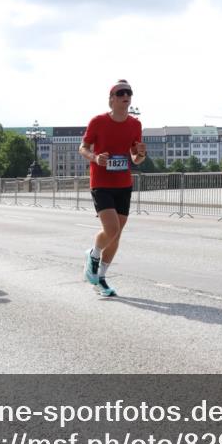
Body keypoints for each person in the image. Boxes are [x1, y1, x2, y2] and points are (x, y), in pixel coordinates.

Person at [78, 79, 146, 298]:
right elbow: (83, 148)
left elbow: (136, 159)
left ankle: (101, 278)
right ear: (112, 99)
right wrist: (95, 158)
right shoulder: (98, 121)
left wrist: (141, 153)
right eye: (121, 92)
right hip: (101, 182)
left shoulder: (135, 125)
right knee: (111, 229)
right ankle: (93, 254)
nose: (126, 96)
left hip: (124, 184)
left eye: (129, 92)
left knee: (116, 235)